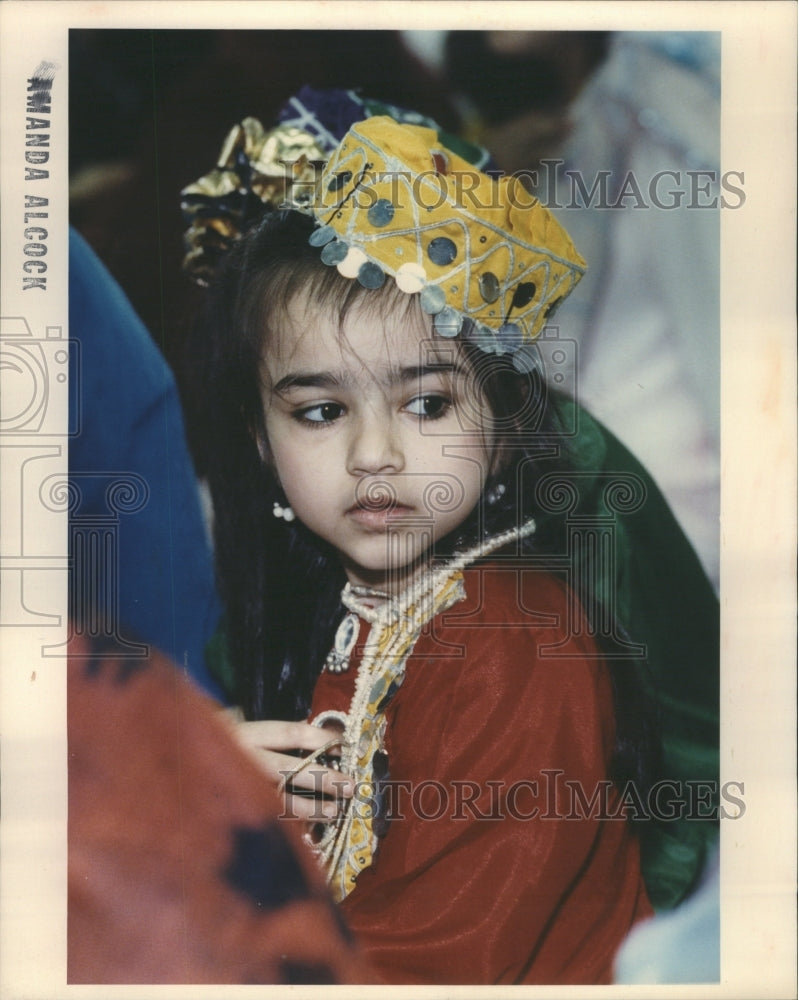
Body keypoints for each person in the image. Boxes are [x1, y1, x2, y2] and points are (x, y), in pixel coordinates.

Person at [184, 109, 672, 985]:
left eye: (428, 405)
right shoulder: (363, 612)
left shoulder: (512, 642)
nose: (375, 456)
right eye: (321, 412)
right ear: (262, 443)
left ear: (505, 429)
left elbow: (434, 960)